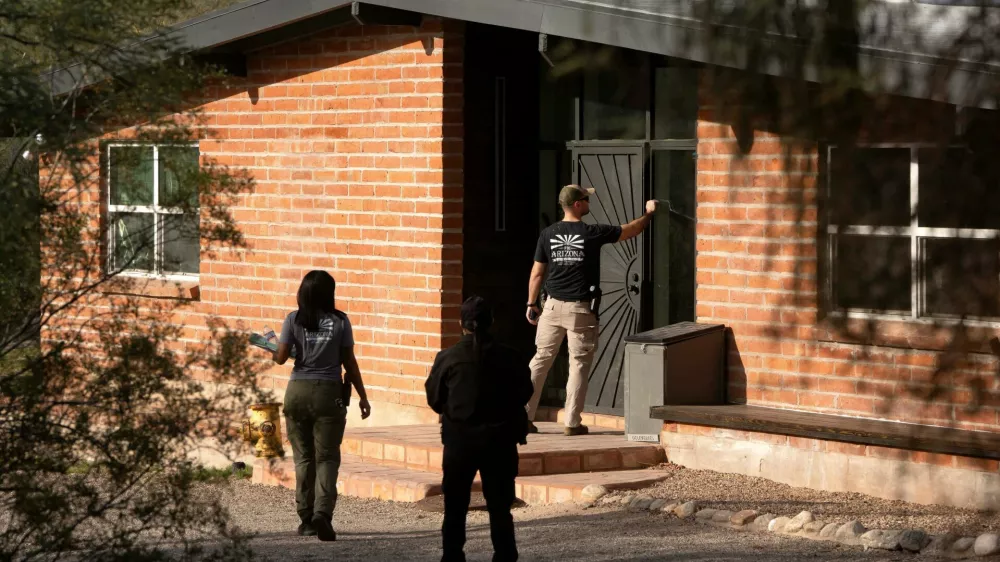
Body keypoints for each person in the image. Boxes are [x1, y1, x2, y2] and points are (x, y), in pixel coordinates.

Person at [525, 184, 656, 436]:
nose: (589, 203)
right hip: (580, 311)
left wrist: (531, 304)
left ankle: (523, 416)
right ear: (577, 204)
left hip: (550, 307)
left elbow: (537, 272)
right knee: (579, 364)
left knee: (540, 360)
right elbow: (632, 229)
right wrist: (649, 213)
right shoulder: (592, 233)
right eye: (586, 199)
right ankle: (572, 423)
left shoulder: (548, 234)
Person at [425, 296, 533, 562]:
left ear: (461, 324)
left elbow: (434, 399)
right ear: (492, 322)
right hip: (500, 440)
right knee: (499, 506)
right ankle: (505, 554)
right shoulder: (510, 356)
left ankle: (452, 555)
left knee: (455, 505)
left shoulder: (448, 358)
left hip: (460, 441)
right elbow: (524, 392)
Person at [272, 270, 371, 541]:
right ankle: (323, 514)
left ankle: (306, 519)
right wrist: (362, 396)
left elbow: (281, 358)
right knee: (327, 456)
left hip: (297, 391)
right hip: (329, 392)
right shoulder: (340, 321)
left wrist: (273, 348)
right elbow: (349, 363)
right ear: (330, 293)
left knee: (304, 457)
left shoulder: (293, 319)